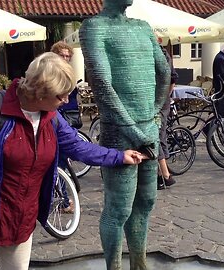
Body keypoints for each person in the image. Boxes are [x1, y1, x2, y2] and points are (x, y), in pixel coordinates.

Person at [0, 52, 146, 270]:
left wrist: (119, 156)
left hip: (21, 217)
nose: (66, 101)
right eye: (61, 96)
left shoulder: (52, 118)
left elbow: (78, 147)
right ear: (39, 92)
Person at [80, 0, 171, 268]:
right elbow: (102, 83)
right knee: (119, 208)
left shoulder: (143, 27)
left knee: (146, 201)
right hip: (119, 131)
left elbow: (164, 70)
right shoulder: (94, 27)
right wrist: (133, 127)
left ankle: (139, 264)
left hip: (147, 126)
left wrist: (154, 112)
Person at [51, 40, 81, 213]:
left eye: (68, 56)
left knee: (60, 160)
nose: (65, 58)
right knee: (59, 161)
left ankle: (61, 198)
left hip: (67, 119)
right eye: (61, 55)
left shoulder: (68, 72)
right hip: (58, 119)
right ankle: (62, 200)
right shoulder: (54, 73)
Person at [157, 45, 178, 190]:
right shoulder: (166, 54)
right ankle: (162, 174)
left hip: (155, 101)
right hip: (164, 100)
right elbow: (173, 79)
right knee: (161, 135)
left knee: (155, 137)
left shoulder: (154, 55)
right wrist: (167, 96)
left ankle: (165, 175)